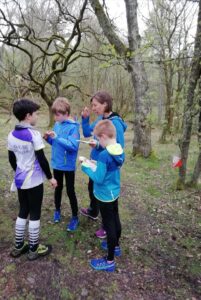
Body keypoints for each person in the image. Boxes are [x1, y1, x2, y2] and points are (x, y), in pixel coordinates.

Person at [8, 99, 57, 260]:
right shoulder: (33, 135)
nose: (37, 116)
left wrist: (19, 172)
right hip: (34, 181)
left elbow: (11, 159)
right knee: (35, 212)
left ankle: (18, 245)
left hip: (20, 180)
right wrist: (50, 178)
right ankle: (34, 249)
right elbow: (42, 159)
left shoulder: (11, 135)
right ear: (28, 116)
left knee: (23, 210)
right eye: (36, 113)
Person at [80, 91, 127, 239]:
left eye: (95, 105)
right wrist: (85, 119)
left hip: (106, 167)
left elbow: (118, 149)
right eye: (92, 105)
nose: (93, 108)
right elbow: (88, 132)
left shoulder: (116, 123)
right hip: (96, 162)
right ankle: (94, 212)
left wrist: (99, 147)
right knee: (92, 188)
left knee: (105, 198)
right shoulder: (101, 118)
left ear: (105, 104)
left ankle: (107, 227)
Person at [81, 120, 124, 272]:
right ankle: (116, 246)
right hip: (114, 192)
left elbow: (98, 178)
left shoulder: (105, 155)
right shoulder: (119, 150)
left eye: (98, 139)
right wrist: (96, 164)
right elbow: (107, 171)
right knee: (116, 219)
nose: (98, 142)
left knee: (109, 226)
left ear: (104, 136)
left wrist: (86, 166)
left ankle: (110, 260)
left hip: (104, 195)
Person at [44, 97, 80, 231]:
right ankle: (57, 210)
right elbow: (55, 143)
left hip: (68, 166)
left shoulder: (73, 128)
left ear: (66, 113)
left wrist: (56, 137)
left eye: (57, 114)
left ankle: (75, 216)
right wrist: (49, 139)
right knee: (57, 188)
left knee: (70, 191)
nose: (55, 117)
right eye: (54, 114)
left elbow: (73, 146)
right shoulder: (57, 125)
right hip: (57, 164)